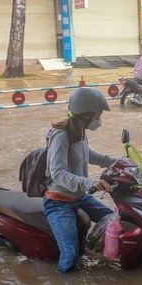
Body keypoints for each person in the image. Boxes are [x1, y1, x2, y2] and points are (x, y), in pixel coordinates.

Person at [43, 88, 118, 273]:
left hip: (79, 197)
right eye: (98, 114)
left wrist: (114, 161)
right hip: (58, 202)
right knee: (70, 254)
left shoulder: (79, 131)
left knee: (114, 219)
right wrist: (90, 183)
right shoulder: (61, 135)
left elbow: (87, 155)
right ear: (86, 113)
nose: (100, 118)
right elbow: (58, 172)